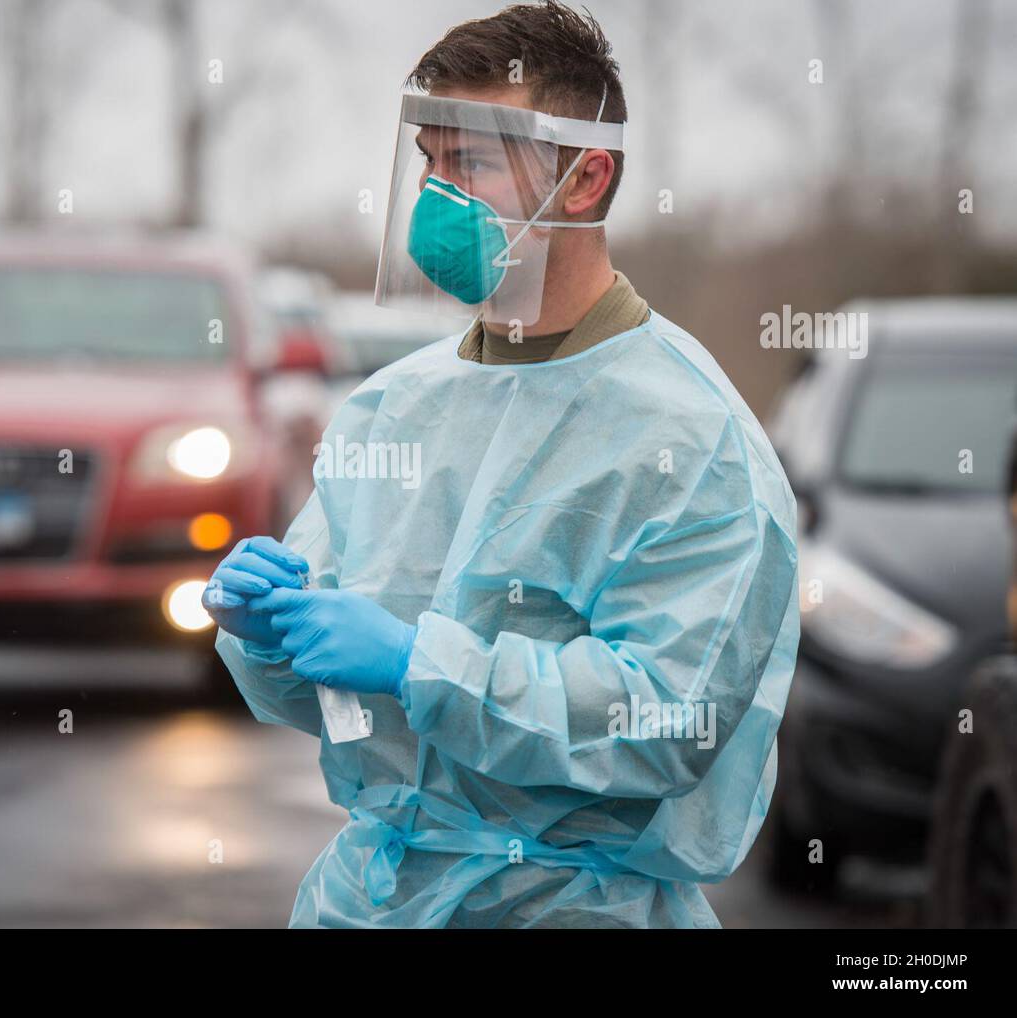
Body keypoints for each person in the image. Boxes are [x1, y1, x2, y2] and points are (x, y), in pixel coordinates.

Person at [204, 1, 799, 929]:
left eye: (472, 162)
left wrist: (417, 664)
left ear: (584, 178)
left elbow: (664, 719)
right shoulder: (394, 408)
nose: (439, 196)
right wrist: (264, 632)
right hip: (371, 901)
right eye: (429, 163)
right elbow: (322, 695)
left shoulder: (691, 439)